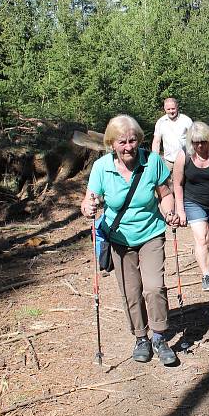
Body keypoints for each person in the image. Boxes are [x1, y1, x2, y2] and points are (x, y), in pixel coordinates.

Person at [80, 115, 180, 366]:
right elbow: (89, 200)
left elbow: (165, 193)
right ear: (112, 144)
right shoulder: (102, 167)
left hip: (150, 233)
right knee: (131, 291)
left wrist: (169, 212)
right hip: (119, 239)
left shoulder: (152, 161)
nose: (128, 147)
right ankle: (140, 337)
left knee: (154, 287)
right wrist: (89, 207)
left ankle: (159, 336)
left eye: (133, 140)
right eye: (122, 142)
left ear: (139, 140)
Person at [173, 122, 209, 292]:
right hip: (194, 201)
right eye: (196, 142)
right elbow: (177, 184)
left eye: (203, 142)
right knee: (201, 238)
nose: (199, 146)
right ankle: (206, 274)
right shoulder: (184, 155)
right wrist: (180, 210)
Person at [152, 98, 193, 171]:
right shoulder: (161, 122)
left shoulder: (186, 120)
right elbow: (156, 142)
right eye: (168, 109)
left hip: (185, 160)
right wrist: (155, 159)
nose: (171, 111)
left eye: (173, 109)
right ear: (164, 109)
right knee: (165, 182)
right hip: (168, 161)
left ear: (177, 107)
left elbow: (194, 139)